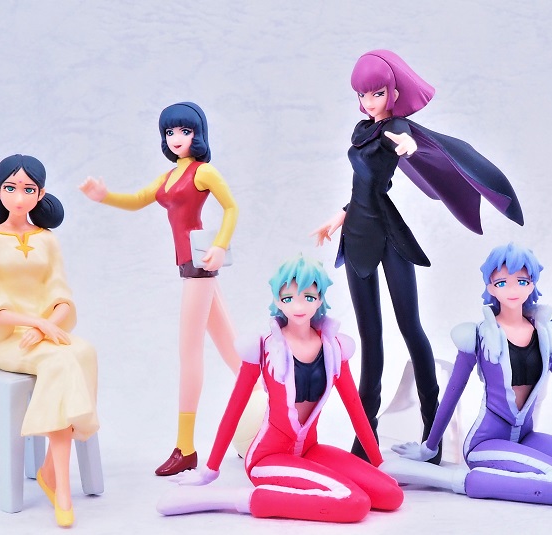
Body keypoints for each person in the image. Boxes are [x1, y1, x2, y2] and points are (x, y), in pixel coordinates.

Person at [311, 49, 523, 463]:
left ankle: (432, 431)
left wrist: (408, 146)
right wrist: (338, 217)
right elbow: (362, 187)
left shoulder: (397, 127)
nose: (369, 102)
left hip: (388, 236)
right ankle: (365, 438)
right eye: (362, 95)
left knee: (410, 327)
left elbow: (404, 144)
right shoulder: (363, 130)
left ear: (393, 93)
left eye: (376, 93)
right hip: (356, 236)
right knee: (371, 336)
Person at [79, 102, 262, 476]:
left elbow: (231, 208)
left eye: (185, 131)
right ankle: (268, 407)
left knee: (189, 353)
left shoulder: (203, 172)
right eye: (170, 132)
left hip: (199, 267)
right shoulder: (167, 178)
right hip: (190, 267)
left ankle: (185, 447)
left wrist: (220, 245)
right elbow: (137, 200)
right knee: (231, 349)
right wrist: (104, 195)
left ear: (198, 134)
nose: (177, 138)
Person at [384, 243, 552, 506]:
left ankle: (517, 473)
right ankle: (453, 480)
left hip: (526, 436)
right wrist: (429, 447)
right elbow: (452, 393)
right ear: (490, 287)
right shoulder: (479, 335)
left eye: (522, 281)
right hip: (486, 442)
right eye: (502, 283)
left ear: (532, 284)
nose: (513, 290)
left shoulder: (548, 336)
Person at [156, 256, 403, 522]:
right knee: (354, 503)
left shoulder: (334, 348)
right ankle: (234, 498)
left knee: (392, 495)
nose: (298, 306)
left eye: (308, 297)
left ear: (320, 299)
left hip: (310, 450)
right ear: (277, 300)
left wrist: (378, 462)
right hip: (268, 458)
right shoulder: (263, 347)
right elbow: (234, 409)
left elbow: (356, 410)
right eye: (288, 298)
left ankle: (302, 491)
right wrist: (210, 471)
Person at [0, 154, 98, 527]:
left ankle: (49, 469)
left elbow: (62, 295)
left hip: (46, 332)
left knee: (85, 351)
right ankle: (62, 489)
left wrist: (46, 325)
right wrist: (33, 323)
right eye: (10, 188)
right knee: (60, 361)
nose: (19, 197)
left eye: (28, 189)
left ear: (41, 194)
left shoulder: (48, 240)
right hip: (10, 338)